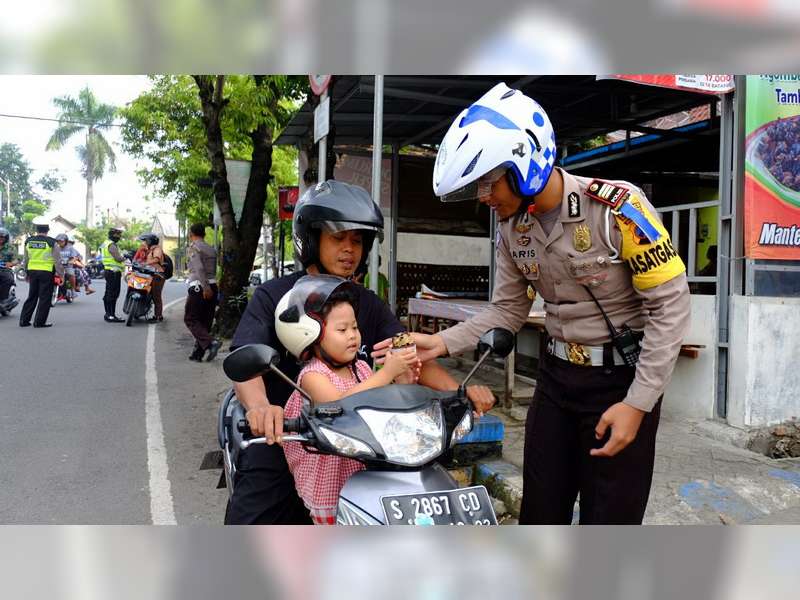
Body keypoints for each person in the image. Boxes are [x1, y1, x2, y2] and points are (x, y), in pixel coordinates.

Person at [395, 82, 691, 525]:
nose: (483, 198)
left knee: (610, 519)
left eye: (488, 183)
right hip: (555, 383)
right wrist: (440, 345)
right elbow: (507, 310)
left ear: (524, 164)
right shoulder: (512, 230)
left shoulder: (617, 209)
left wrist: (639, 403)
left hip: (619, 383)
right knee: (540, 512)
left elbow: (671, 306)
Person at [226, 180, 495, 525]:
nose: (349, 249)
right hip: (288, 435)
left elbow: (408, 354)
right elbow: (246, 359)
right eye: (338, 238)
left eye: (357, 240)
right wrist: (262, 409)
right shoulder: (274, 295)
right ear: (311, 239)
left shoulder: (368, 303)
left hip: (362, 443)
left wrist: (459, 392)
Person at [277, 275, 418, 524]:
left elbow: (382, 402)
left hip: (366, 469)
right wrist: (386, 373)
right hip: (331, 481)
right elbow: (340, 406)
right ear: (310, 335)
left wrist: (404, 379)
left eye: (354, 327)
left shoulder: (361, 368)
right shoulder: (313, 376)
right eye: (342, 329)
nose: (352, 335)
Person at [185, 223, 220, 361]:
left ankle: (211, 343)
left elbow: (199, 269)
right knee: (205, 321)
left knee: (191, 319)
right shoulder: (211, 249)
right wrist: (210, 287)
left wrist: (205, 288)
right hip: (212, 285)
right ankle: (197, 354)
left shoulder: (194, 248)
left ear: (191, 234)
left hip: (200, 287)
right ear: (204, 234)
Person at [19, 220, 64, 328]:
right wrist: (61, 275)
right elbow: (57, 261)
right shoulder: (52, 242)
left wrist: (26, 273)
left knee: (32, 296)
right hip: (46, 272)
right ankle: (39, 322)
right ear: (47, 230)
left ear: (36, 230)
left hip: (32, 271)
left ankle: (24, 321)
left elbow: (25, 259)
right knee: (44, 298)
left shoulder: (28, 241)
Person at [137, 232, 165, 323]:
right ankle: (156, 315)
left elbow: (156, 259)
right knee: (152, 295)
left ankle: (158, 316)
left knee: (156, 296)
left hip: (158, 275)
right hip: (153, 274)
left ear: (150, 241)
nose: (145, 242)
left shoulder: (157, 249)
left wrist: (146, 263)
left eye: (146, 241)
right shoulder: (151, 250)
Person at [101, 226, 126, 322]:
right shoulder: (111, 245)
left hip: (108, 270)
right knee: (113, 294)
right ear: (113, 235)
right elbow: (118, 258)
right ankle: (111, 315)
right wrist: (124, 257)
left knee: (108, 293)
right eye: (118, 235)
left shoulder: (105, 243)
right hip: (114, 272)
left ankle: (108, 314)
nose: (119, 237)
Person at [54, 233, 78, 299]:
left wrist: (71, 261)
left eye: (61, 241)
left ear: (66, 241)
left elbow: (74, 257)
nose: (60, 242)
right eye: (58, 241)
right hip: (58, 266)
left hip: (68, 266)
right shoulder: (55, 247)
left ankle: (73, 290)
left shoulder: (70, 248)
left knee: (71, 274)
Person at [0, 227, 17, 308]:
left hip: (5, 270)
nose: (0, 239)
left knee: (8, 279)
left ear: (5, 238)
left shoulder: (11, 248)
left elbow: (16, 260)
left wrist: (10, 264)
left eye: (2, 237)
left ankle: (4, 299)